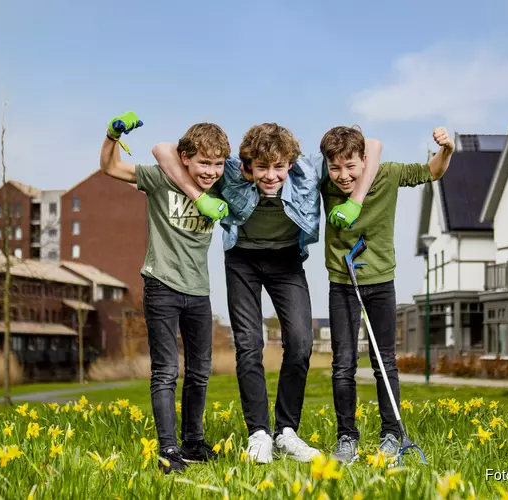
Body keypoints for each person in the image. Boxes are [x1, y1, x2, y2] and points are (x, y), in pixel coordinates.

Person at [153, 123, 382, 463]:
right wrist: (198, 196)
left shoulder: (308, 168)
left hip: (287, 260)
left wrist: (357, 202)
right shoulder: (231, 169)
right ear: (249, 164)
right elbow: (161, 149)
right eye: (262, 167)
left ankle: (286, 432)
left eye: (278, 167)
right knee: (249, 345)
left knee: (302, 343)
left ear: (290, 161)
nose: (271, 176)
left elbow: (373, 145)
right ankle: (258, 433)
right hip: (242, 260)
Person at [100, 111, 230, 474]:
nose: (211, 171)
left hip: (199, 290)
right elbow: (111, 168)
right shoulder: (161, 179)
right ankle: (168, 450)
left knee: (200, 371)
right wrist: (112, 136)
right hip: (161, 285)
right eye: (204, 162)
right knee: (166, 371)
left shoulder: (220, 185)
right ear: (185, 159)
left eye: (218, 164)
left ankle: (193, 442)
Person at [319, 125, 454, 465]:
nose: (342, 176)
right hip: (342, 282)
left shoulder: (389, 174)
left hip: (380, 282)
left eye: (350, 167)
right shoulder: (325, 182)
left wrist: (447, 149)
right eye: (335, 168)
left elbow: (432, 171)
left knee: (384, 362)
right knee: (342, 365)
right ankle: (346, 438)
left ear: (365, 159)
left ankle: (391, 435)